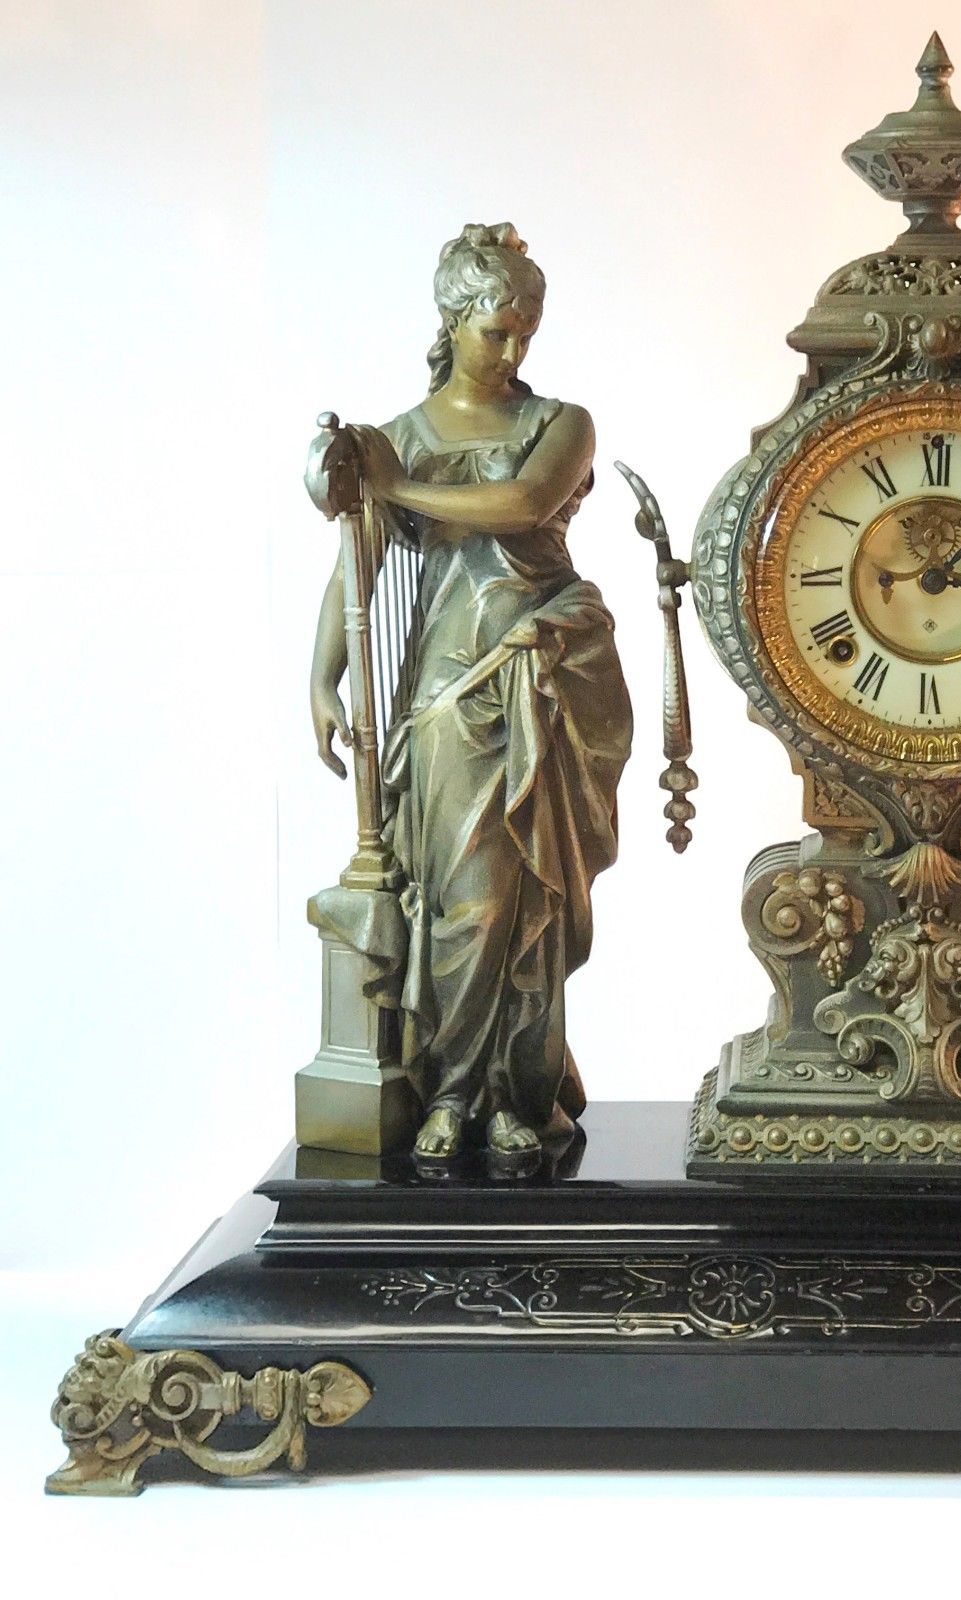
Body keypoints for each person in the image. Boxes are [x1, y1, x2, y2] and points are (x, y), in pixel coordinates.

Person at [308, 223, 632, 1163]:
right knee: (465, 903)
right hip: (450, 694)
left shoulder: (560, 424)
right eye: (498, 331)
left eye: (527, 332)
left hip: (546, 675)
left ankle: (515, 1096)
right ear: (452, 322)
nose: (515, 351)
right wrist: (321, 676)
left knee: (527, 900)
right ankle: (450, 1094)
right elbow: (355, 568)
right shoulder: (402, 438)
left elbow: (523, 506)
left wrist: (397, 486)